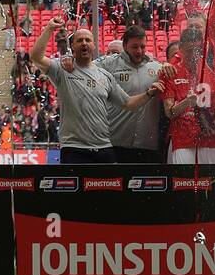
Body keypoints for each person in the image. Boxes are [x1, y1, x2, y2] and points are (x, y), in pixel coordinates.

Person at [30, 16, 154, 164]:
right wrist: (49, 28)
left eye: (88, 40)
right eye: (80, 40)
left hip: (103, 147)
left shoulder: (105, 76)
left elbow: (128, 103)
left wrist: (149, 93)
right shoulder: (63, 70)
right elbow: (36, 57)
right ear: (73, 47)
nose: (84, 43)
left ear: (94, 45)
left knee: (110, 187)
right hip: (74, 149)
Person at [89, 25, 168, 162]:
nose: (139, 51)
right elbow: (84, 68)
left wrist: (169, 65)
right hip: (115, 143)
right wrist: (68, 60)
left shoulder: (157, 68)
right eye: (134, 47)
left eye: (142, 47)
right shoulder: (109, 64)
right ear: (125, 46)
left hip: (147, 145)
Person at [164, 27, 215, 165]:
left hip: (208, 139)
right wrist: (187, 103)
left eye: (197, 50)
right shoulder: (170, 72)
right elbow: (169, 112)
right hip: (182, 140)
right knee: (183, 182)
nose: (193, 55)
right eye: (189, 50)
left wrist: (214, 121)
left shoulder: (210, 73)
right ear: (180, 48)